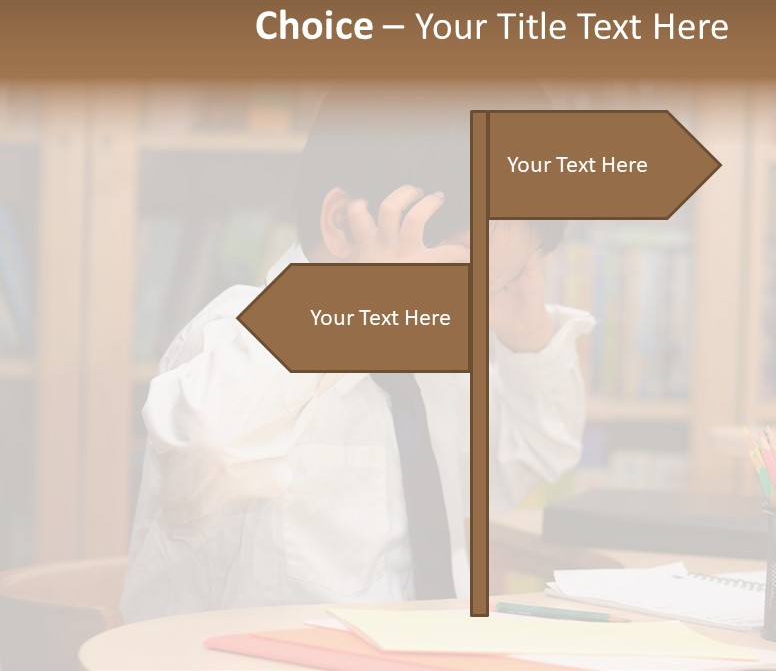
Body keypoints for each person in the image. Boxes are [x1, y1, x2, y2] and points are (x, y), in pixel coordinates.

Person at [120, 86, 594, 622]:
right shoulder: (236, 340)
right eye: (459, 283)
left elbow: (526, 460)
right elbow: (208, 447)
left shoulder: (430, 362)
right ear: (345, 224)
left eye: (492, 285)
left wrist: (528, 333)